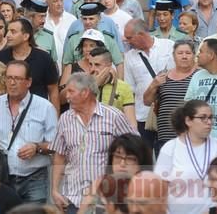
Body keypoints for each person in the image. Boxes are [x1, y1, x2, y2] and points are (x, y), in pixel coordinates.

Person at [51, 73, 136, 213]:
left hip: (106, 199)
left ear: (85, 93)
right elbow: (60, 155)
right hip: (73, 198)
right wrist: (55, 190)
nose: (66, 96)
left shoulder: (113, 116)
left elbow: (134, 149)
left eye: (71, 91)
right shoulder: (65, 118)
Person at [0, 60, 57, 204]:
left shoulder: (45, 108)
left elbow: (56, 145)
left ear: (28, 82)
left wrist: (37, 147)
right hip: (3, 177)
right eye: (9, 78)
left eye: (18, 79)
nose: (12, 83)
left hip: (35, 178)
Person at [154, 100, 217, 214]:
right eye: (203, 117)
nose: (209, 122)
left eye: (211, 117)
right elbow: (159, 188)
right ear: (188, 120)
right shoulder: (170, 148)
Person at [123, 19, 174, 145]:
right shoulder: (129, 56)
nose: (127, 41)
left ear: (140, 34)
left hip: (168, 112)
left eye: (130, 38)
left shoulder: (169, 46)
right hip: (142, 115)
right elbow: (130, 89)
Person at [143, 39, 199, 153]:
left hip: (192, 136)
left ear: (194, 55)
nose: (184, 56)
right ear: (173, 56)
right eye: (180, 53)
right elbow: (147, 101)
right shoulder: (163, 76)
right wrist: (154, 84)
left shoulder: (200, 75)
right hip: (165, 136)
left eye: (188, 53)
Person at [77, 134, 153, 214]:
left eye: (130, 158)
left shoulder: (150, 191)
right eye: (117, 157)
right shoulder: (99, 185)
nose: (122, 163)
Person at [0, 19, 59, 110]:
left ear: (25, 36)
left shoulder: (44, 58)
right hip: (7, 113)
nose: (8, 35)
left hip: (38, 113)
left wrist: (55, 118)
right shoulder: (0, 58)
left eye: (13, 32)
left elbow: (53, 91)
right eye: (7, 31)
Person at [87, 46, 137, 128]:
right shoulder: (82, 85)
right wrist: (94, 85)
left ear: (109, 66)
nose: (92, 69)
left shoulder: (124, 87)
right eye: (90, 64)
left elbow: (131, 123)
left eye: (97, 65)